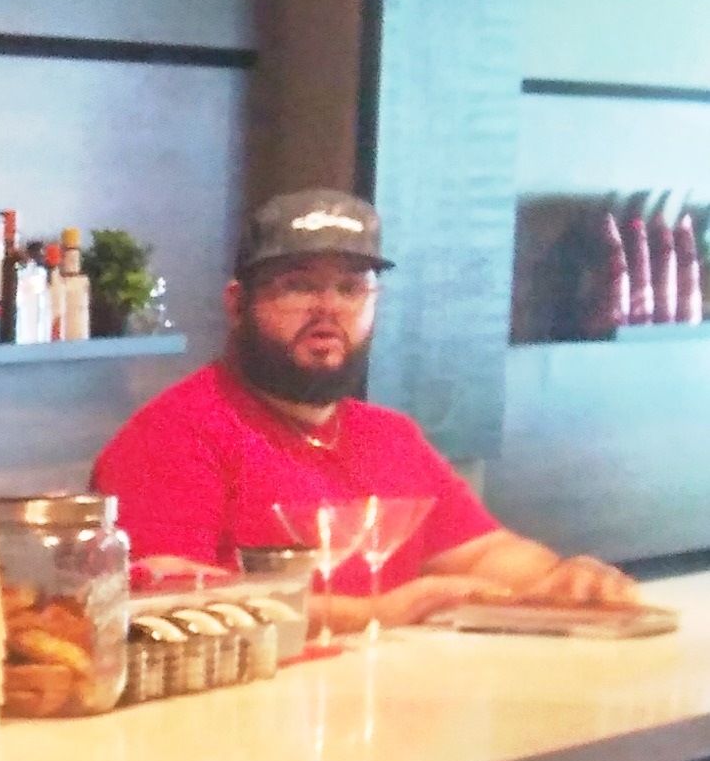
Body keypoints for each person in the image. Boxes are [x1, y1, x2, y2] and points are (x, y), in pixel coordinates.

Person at [89, 190, 636, 631]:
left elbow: (480, 555)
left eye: (351, 289)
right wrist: (372, 614)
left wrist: (562, 578)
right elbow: (160, 598)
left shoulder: (390, 436)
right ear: (238, 304)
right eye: (298, 286)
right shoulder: (173, 436)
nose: (328, 309)